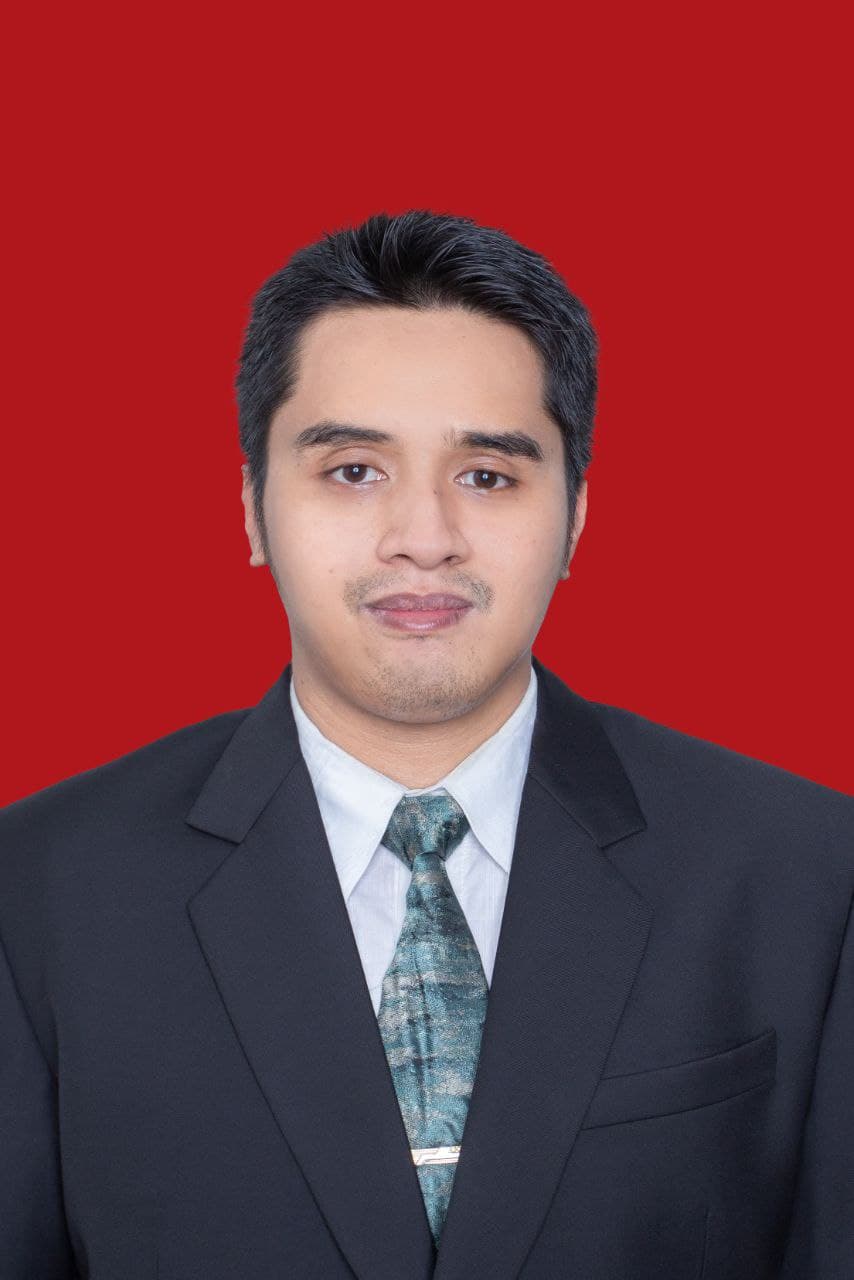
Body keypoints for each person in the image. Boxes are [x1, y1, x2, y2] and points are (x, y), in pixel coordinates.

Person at [0, 209, 851, 1280]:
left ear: (576, 515)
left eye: (487, 475)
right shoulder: (39, 889)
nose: (424, 537)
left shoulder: (805, 873)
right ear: (254, 508)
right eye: (354, 469)